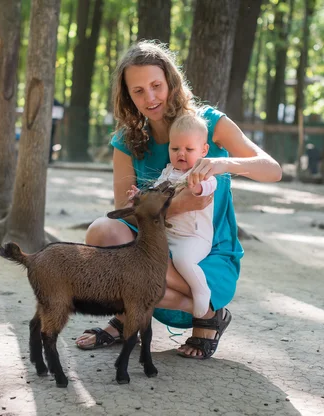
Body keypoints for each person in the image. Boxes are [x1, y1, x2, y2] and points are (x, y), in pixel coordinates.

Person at [74, 41, 282, 359]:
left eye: (156, 86)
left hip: (205, 254)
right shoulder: (126, 141)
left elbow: (273, 170)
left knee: (139, 273)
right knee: (101, 231)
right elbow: (123, 215)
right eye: (138, 91)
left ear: (171, 82)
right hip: (155, 248)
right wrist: (174, 206)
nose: (150, 98)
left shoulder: (209, 124)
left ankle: (186, 310)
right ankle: (200, 315)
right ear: (127, 95)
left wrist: (224, 163)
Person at [127, 114, 218, 319]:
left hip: (194, 238)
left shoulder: (203, 174)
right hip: (170, 235)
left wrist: (198, 187)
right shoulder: (168, 172)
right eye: (175, 149)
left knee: (183, 260)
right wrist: (139, 197)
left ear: (203, 150)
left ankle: (201, 291)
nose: (181, 154)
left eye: (189, 149)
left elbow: (211, 186)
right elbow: (156, 191)